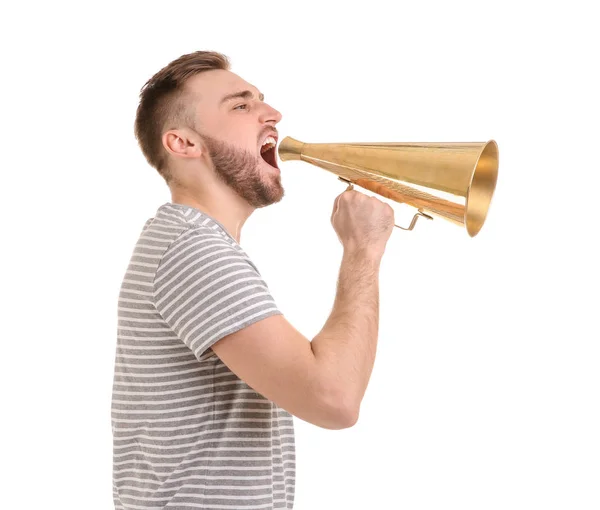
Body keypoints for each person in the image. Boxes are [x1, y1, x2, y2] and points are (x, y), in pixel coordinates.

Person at [111, 50, 395, 510]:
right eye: (241, 106)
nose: (273, 114)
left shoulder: (194, 244)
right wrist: (363, 250)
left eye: (262, 100)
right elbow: (334, 399)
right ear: (184, 143)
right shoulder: (191, 249)